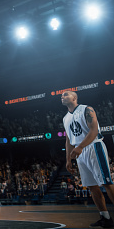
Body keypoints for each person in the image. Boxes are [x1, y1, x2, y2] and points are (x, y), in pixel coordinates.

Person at [62, 91, 114, 228]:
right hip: (80, 153)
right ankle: (105, 217)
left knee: (106, 183)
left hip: (93, 146)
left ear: (74, 97)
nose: (62, 96)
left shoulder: (86, 109)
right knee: (92, 186)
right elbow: (68, 140)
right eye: (61, 95)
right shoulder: (65, 117)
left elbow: (93, 131)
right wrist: (68, 159)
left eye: (65, 94)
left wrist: (80, 147)